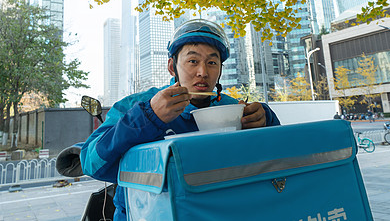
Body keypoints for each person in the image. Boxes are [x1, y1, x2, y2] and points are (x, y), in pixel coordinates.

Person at [80, 19, 281, 220]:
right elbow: (92, 164)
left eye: (212, 62)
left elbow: (278, 158)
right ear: (172, 66)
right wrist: (148, 117)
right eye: (193, 61)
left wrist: (266, 120)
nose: (203, 72)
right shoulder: (136, 106)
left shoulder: (233, 107)